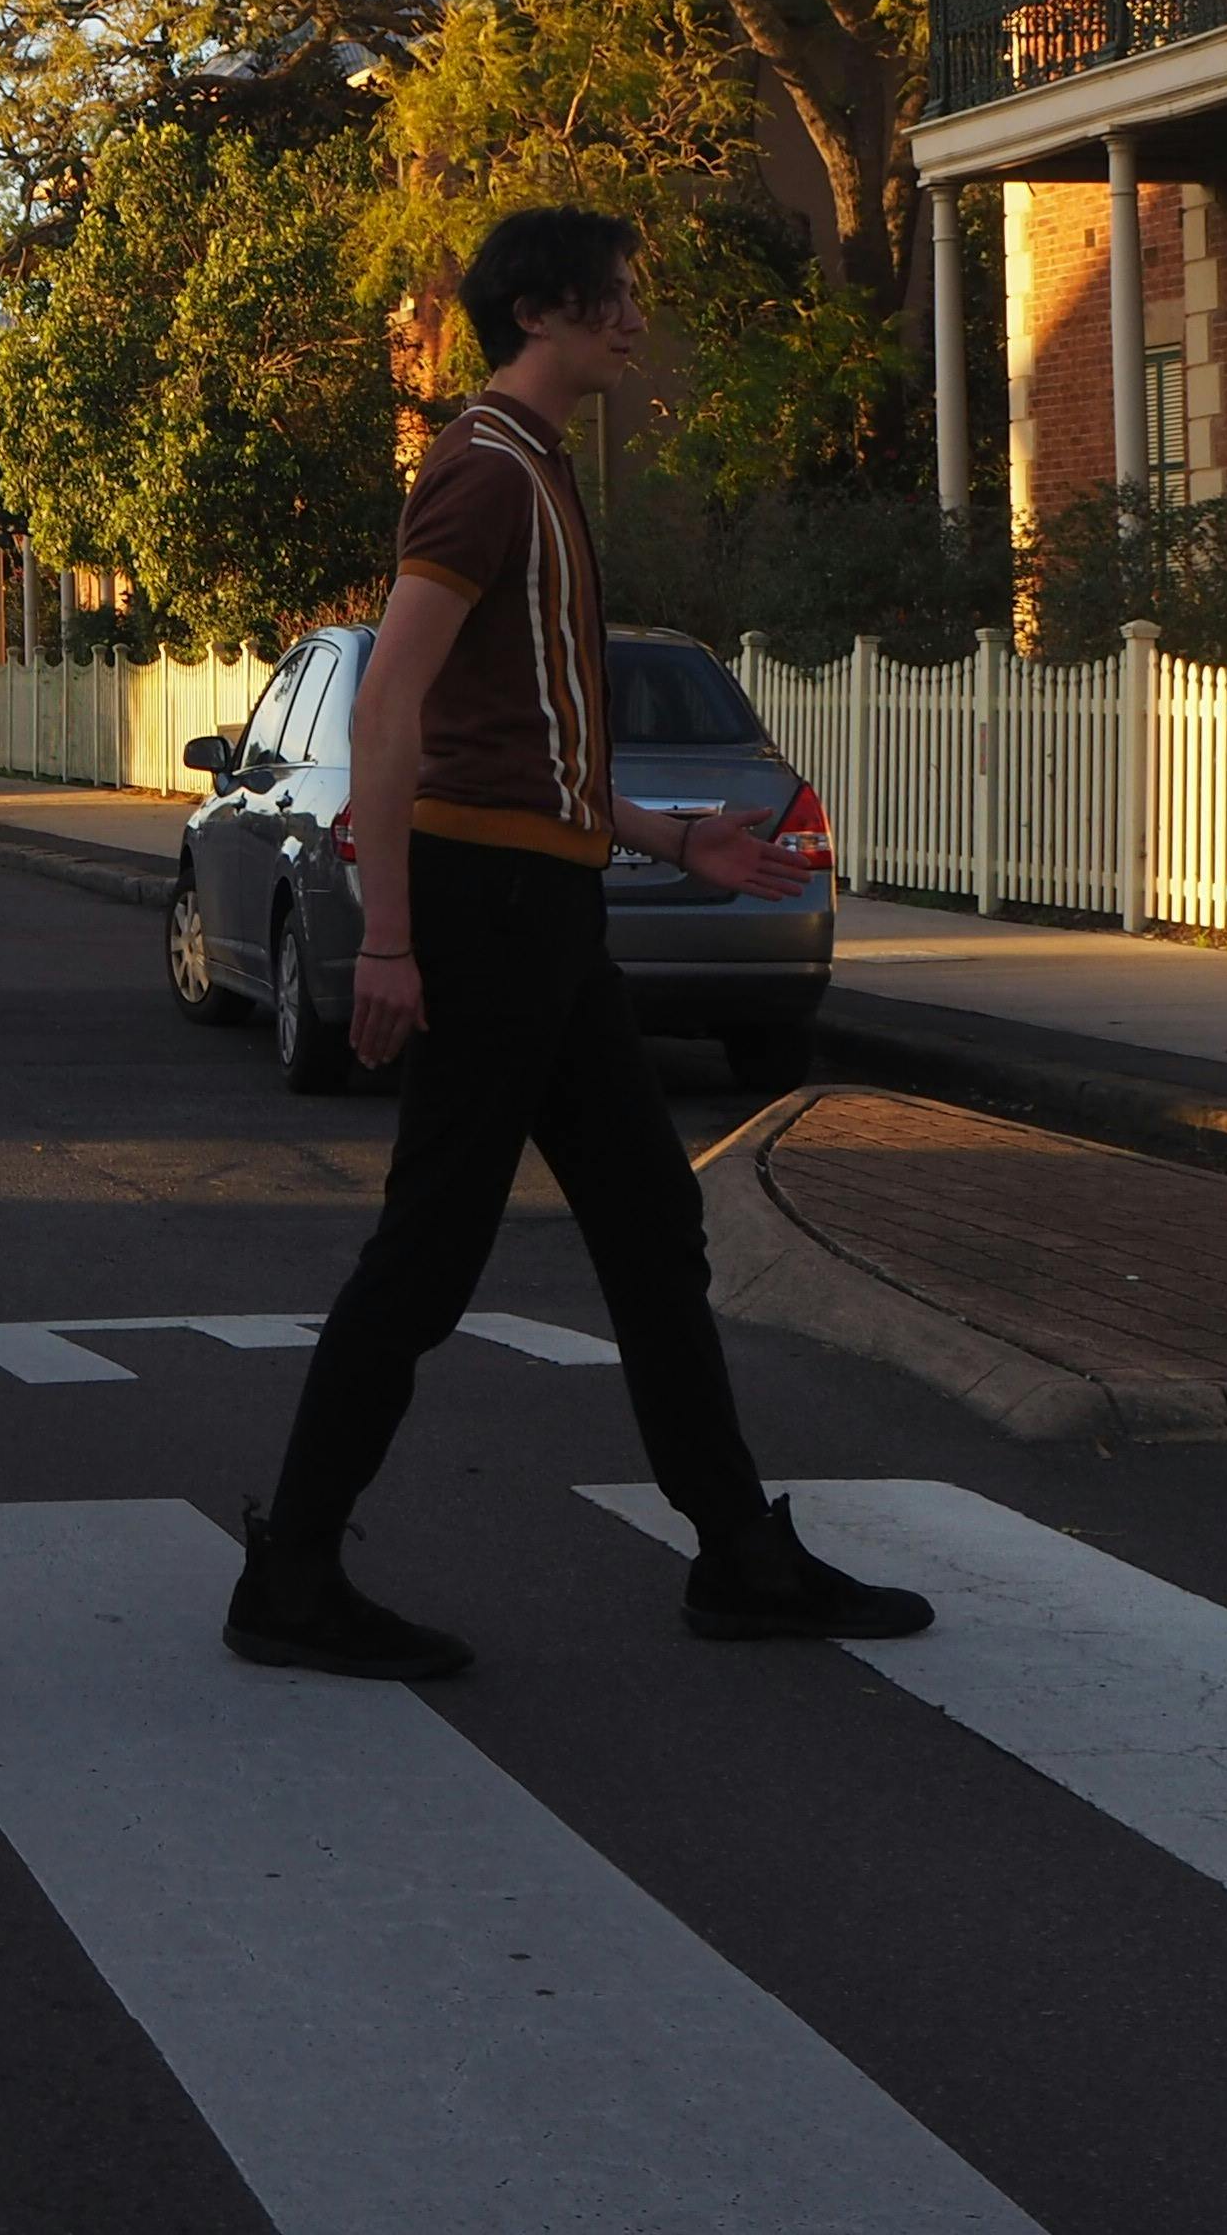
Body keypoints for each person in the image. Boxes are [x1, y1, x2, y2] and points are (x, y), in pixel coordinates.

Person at [227, 208, 931, 1677]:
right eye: (619, 296)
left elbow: (522, 738)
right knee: (427, 1260)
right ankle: (291, 1574)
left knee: (650, 1229)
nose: (634, 318)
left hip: (549, 912)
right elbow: (390, 707)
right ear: (544, 310)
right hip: (485, 918)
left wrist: (675, 840)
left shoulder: (541, 471)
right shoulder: (484, 471)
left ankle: (737, 1552)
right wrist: (389, 943)